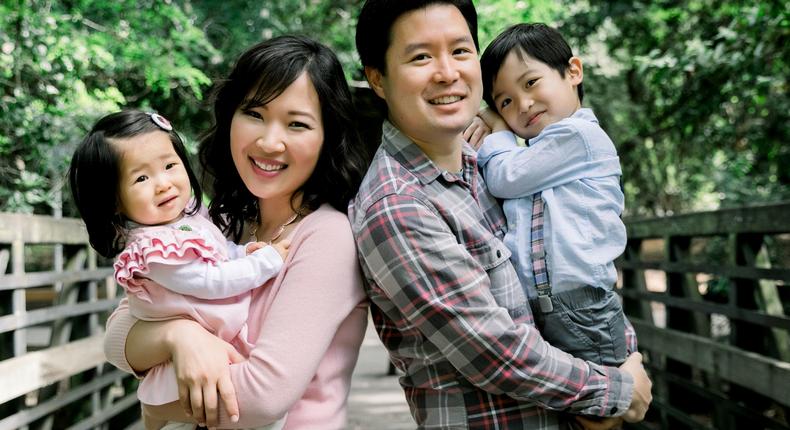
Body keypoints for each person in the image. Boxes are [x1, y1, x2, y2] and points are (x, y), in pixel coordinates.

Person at [349, 1, 652, 429]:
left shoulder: (482, 163)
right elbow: (493, 352)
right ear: (377, 78)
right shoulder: (396, 204)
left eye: (459, 51)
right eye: (421, 57)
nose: (447, 72)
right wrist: (617, 389)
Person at [102, 35, 370, 429]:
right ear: (231, 117)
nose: (269, 141)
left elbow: (263, 398)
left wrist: (159, 406)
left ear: (327, 137)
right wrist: (181, 337)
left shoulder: (327, 237)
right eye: (255, 114)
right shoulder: (220, 222)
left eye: (297, 124)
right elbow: (116, 337)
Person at [70, 110, 290, 430]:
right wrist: (266, 261)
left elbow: (219, 252)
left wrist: (244, 252)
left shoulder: (188, 221)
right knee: (257, 412)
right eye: (141, 178)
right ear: (114, 200)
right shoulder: (153, 248)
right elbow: (210, 280)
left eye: (170, 166)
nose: (163, 184)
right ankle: (156, 414)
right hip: (182, 371)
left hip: (209, 347)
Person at [466, 22, 636, 368]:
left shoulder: (579, 138)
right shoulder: (537, 154)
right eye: (505, 102)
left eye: (531, 83)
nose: (524, 105)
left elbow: (504, 177)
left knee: (600, 408)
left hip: (582, 310)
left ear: (573, 71)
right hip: (543, 309)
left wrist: (497, 127)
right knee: (567, 407)